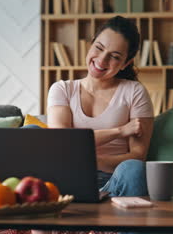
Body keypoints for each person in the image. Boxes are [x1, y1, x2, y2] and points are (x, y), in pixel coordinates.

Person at [47, 16, 154, 197]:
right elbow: (63, 145)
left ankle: (111, 224)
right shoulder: (63, 89)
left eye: (114, 56)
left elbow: (138, 155)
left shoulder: (134, 92)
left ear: (125, 63)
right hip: (66, 183)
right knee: (30, 131)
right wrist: (119, 131)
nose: (102, 61)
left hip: (113, 183)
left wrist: (92, 161)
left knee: (134, 168)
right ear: (91, 44)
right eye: (99, 48)